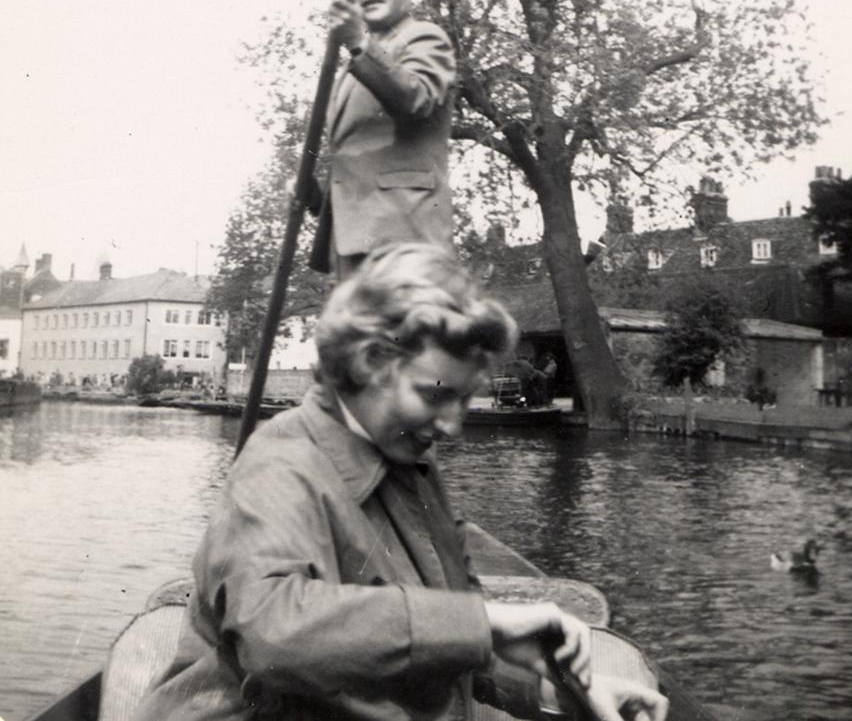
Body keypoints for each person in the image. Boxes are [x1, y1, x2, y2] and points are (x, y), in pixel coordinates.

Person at [134, 244, 668, 721]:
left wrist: (566, 697)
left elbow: (447, 643)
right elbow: (272, 633)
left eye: (463, 398)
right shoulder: (280, 466)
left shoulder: (414, 466)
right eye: (436, 395)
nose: (453, 423)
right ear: (370, 363)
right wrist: (482, 622)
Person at [310, 0, 457, 278]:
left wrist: (359, 44)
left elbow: (415, 98)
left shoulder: (425, 38)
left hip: (406, 244)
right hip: (355, 252)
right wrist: (314, 197)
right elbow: (359, 175)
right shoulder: (351, 72)